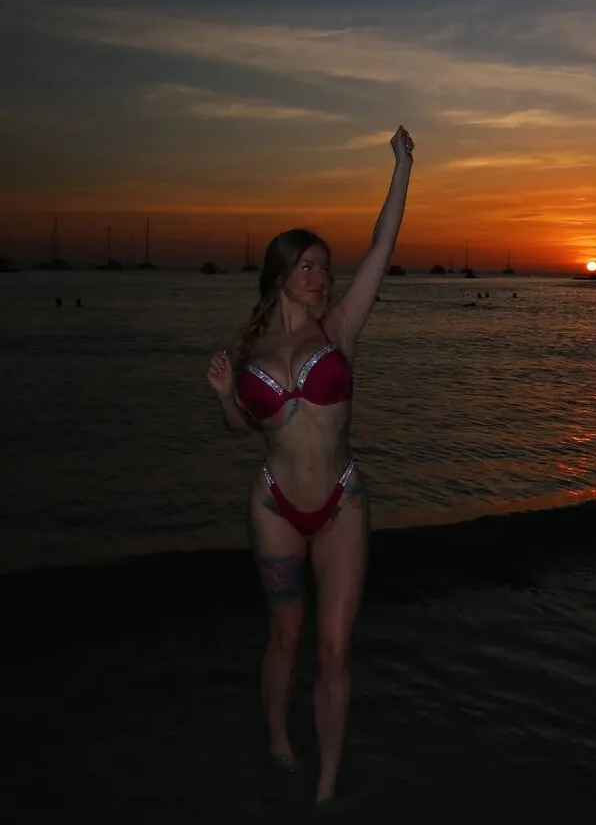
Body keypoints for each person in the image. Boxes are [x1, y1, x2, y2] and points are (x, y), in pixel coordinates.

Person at [205, 125, 414, 805]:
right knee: (285, 636)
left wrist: (403, 166)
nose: (323, 277)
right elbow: (243, 429)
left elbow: (382, 245)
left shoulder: (341, 327)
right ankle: (277, 737)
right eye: (309, 267)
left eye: (326, 267)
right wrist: (224, 397)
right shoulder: (251, 352)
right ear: (281, 275)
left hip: (340, 505)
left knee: (333, 649)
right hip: (274, 507)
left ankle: (326, 787)